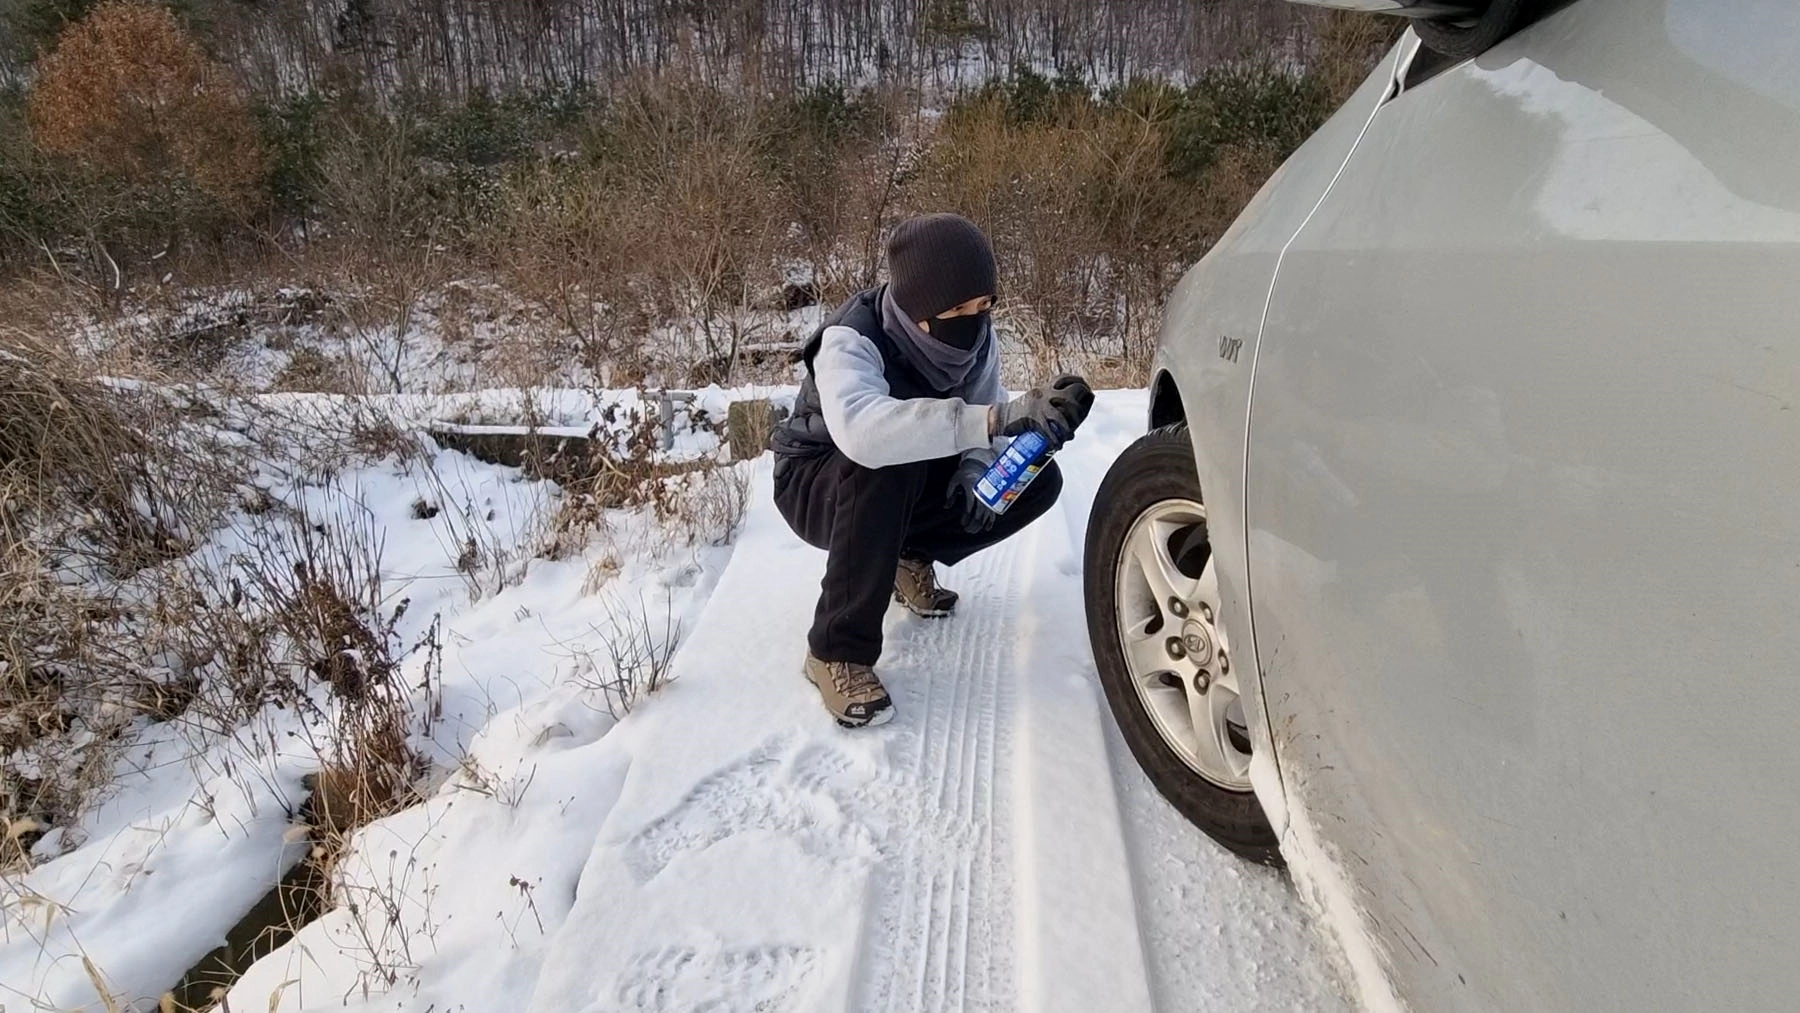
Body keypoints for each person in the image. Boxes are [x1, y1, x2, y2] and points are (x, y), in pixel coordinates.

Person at [769, 213, 1095, 727]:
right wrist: (996, 421)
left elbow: (984, 408)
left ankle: (908, 557)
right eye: (959, 308)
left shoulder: (978, 340)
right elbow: (864, 432)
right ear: (918, 306)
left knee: (1033, 479)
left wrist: (980, 470)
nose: (975, 320)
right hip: (817, 481)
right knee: (883, 462)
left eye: (985, 305)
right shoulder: (852, 339)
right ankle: (835, 650)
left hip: (900, 472)